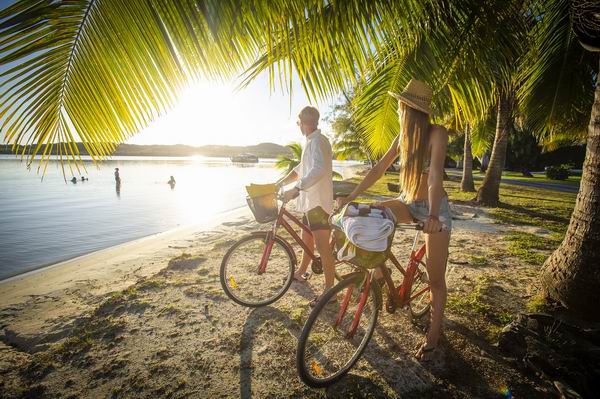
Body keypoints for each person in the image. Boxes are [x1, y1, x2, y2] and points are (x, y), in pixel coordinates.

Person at [337, 79, 452, 362]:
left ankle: (434, 336)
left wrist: (434, 216)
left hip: (433, 209)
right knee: (367, 213)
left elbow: (435, 176)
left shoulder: (437, 133)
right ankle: (379, 275)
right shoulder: (402, 137)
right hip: (406, 201)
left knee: (436, 280)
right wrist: (352, 195)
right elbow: (378, 169)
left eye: (401, 106)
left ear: (408, 108)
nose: (399, 110)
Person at [276, 106, 335, 307]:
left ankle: (330, 290)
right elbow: (301, 169)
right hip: (310, 202)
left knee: (322, 247)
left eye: (299, 122)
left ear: (304, 122)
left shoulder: (319, 141)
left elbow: (319, 169)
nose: (298, 126)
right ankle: (301, 273)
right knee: (306, 240)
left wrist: (297, 188)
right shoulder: (310, 142)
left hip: (318, 202)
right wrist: (281, 183)